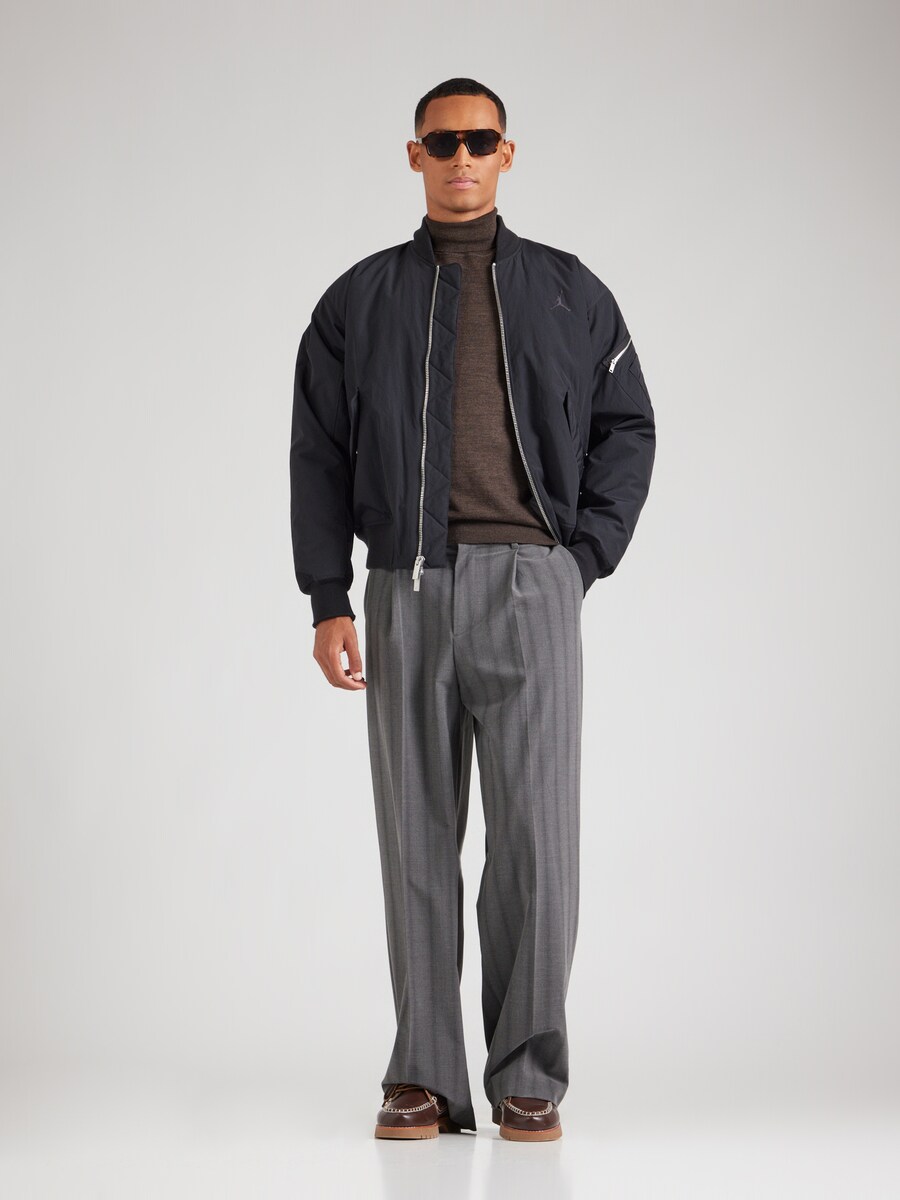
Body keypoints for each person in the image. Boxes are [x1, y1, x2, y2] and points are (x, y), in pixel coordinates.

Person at [290, 76, 656, 1142]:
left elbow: (628, 426)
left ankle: (528, 1071)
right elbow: (318, 453)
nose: (461, 157)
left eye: (479, 140)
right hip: (404, 590)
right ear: (414, 155)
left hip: (533, 585)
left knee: (538, 840)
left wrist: (582, 559)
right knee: (416, 840)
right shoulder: (357, 300)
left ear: (506, 153)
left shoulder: (569, 291)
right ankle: (424, 1076)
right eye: (442, 142)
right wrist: (327, 596)